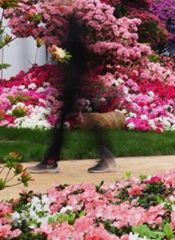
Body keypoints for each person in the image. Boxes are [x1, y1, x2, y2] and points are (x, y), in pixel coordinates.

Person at [29, 6, 116, 174]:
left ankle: (53, 160)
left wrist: (64, 59)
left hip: (74, 79)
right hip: (72, 78)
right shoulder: (69, 20)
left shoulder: (74, 20)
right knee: (63, 120)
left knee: (70, 120)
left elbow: (77, 50)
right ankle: (51, 160)